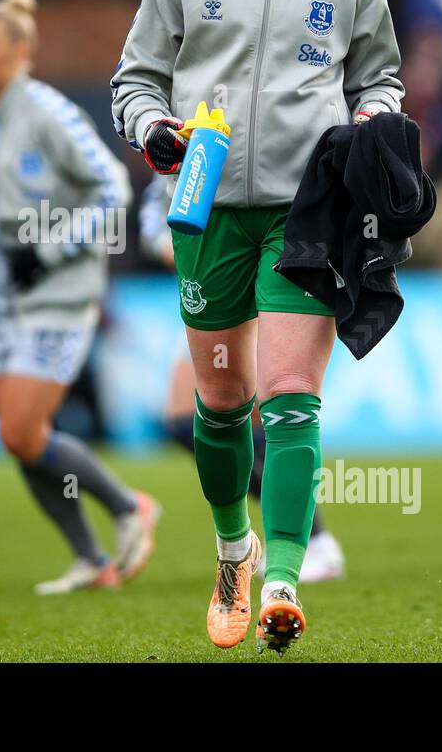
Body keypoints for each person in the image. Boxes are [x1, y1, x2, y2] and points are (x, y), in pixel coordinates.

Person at [111, 0, 403, 652]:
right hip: (207, 212)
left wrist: (376, 121)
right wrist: (152, 128)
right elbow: (135, 79)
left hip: (308, 212)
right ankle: (232, 551)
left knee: (289, 397)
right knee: (219, 404)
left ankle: (281, 577)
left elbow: (377, 77)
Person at [0, 0, 160, 595]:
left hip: (58, 295)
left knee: (24, 432)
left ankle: (131, 506)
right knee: (18, 441)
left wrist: (49, 247)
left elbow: (112, 191)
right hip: (1, 299)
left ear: (20, 51)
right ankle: (92, 562)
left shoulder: (48, 111)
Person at [139, 175, 346, 582]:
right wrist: (168, 244)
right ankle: (300, 538)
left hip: (267, 276)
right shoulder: (190, 136)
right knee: (193, 421)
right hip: (215, 277)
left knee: (263, 416)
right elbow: (153, 211)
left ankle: (307, 543)